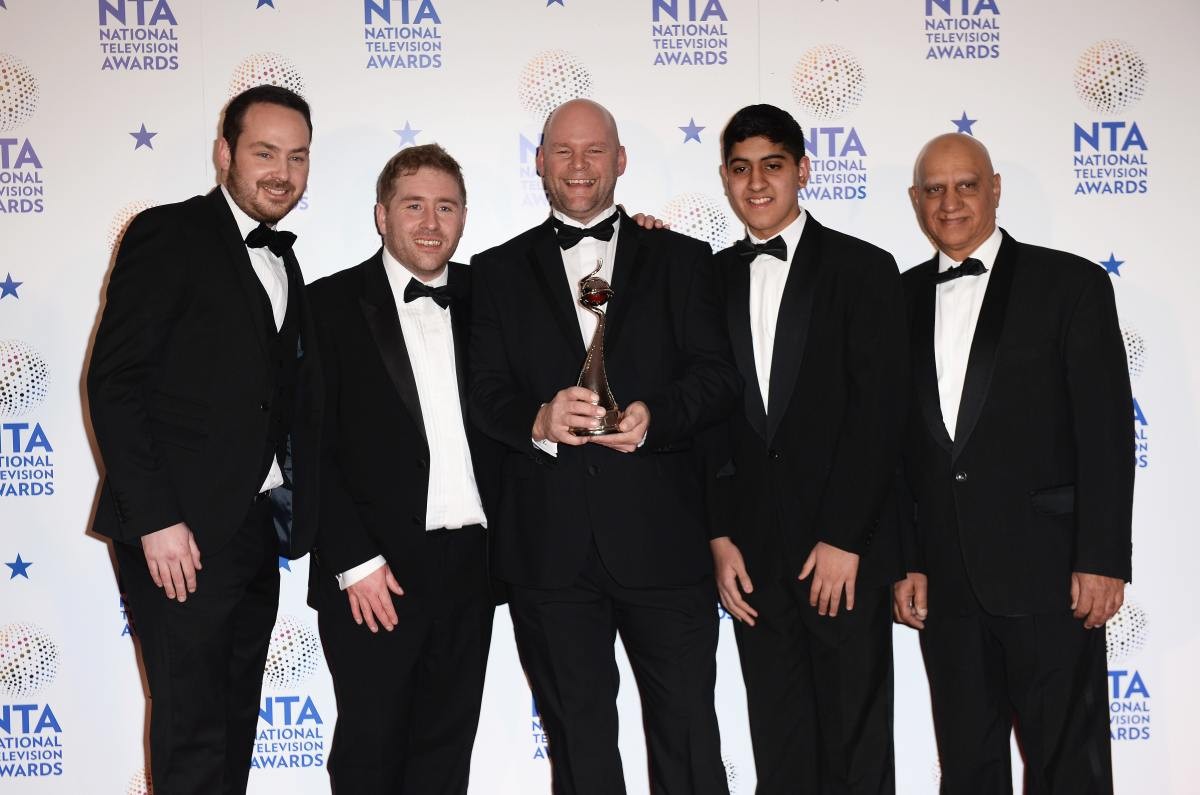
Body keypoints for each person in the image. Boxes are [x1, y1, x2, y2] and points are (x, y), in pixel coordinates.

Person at [468, 98, 740, 795]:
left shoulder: (682, 258)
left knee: (689, 742)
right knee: (580, 753)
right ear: (539, 162)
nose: (579, 166)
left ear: (620, 160)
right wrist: (538, 418)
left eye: (595, 150)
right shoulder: (494, 271)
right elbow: (482, 392)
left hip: (665, 542)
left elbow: (717, 379)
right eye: (563, 150)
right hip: (550, 553)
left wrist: (657, 416)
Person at [87, 84, 321, 794]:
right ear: (225, 153)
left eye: (297, 157)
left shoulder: (286, 262)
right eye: (265, 153)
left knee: (233, 727)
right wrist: (157, 518)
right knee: (192, 733)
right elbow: (114, 382)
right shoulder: (169, 233)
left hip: (251, 532)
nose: (282, 172)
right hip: (177, 532)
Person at [893, 133, 1133, 794]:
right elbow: (896, 451)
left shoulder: (1071, 285)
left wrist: (1103, 557)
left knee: (1068, 766)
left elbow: (1106, 433)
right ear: (916, 199)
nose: (950, 202)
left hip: (1052, 574)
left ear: (995, 188)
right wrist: (908, 558)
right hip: (947, 580)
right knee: (968, 768)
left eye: (966, 185)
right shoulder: (897, 298)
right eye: (934, 189)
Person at [708, 103, 907, 794]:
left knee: (856, 752)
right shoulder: (707, 279)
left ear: (804, 170)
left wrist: (845, 536)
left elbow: (880, 414)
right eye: (740, 168)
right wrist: (719, 535)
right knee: (780, 749)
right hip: (753, 561)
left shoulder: (864, 268)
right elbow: (705, 423)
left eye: (772, 165)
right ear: (725, 179)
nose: (756, 182)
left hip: (842, 555)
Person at [305, 143, 501, 794]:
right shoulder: (326, 306)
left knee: (445, 759)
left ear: (464, 216)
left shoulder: (493, 297)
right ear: (381, 215)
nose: (430, 223)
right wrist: (352, 560)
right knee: (370, 754)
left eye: (446, 206)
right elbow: (308, 445)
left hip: (472, 567)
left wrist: (640, 238)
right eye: (413, 206)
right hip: (373, 570)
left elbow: (585, 299)